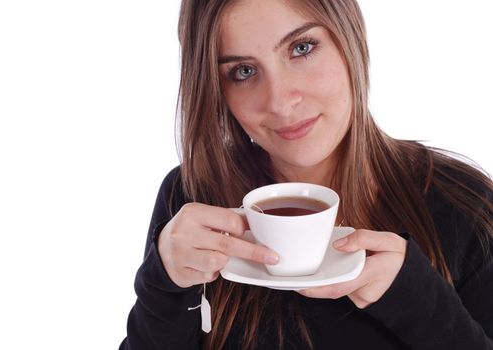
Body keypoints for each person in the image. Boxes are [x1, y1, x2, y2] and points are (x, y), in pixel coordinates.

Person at [119, 0, 493, 348]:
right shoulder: (192, 197)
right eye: (243, 71)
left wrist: (417, 300)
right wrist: (163, 283)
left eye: (301, 49)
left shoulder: (464, 203)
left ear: (349, 38)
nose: (281, 103)